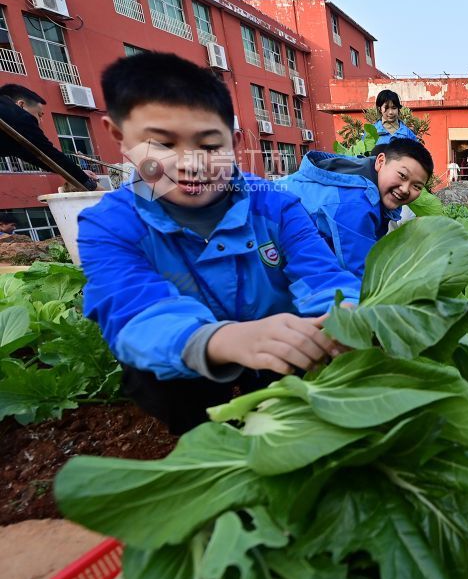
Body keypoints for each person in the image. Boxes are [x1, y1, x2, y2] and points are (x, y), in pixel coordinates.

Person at [77, 53, 360, 435]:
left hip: (278, 345)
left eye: (210, 147)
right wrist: (223, 338)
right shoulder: (109, 224)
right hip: (188, 358)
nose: (189, 164)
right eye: (160, 145)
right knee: (154, 378)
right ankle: (201, 435)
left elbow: (323, 276)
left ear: (236, 142)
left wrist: (345, 316)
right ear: (118, 137)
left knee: (304, 387)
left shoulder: (276, 206)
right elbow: (135, 312)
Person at [278, 138, 433, 279]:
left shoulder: (358, 173)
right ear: (380, 162)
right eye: (402, 175)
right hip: (264, 238)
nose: (406, 189)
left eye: (417, 186)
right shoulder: (356, 203)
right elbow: (358, 275)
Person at [0, 84, 101, 191]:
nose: (39, 121)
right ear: (21, 105)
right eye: (39, 115)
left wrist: (79, 173)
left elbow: (40, 157)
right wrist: (94, 187)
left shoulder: (8, 127)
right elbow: (49, 154)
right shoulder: (17, 114)